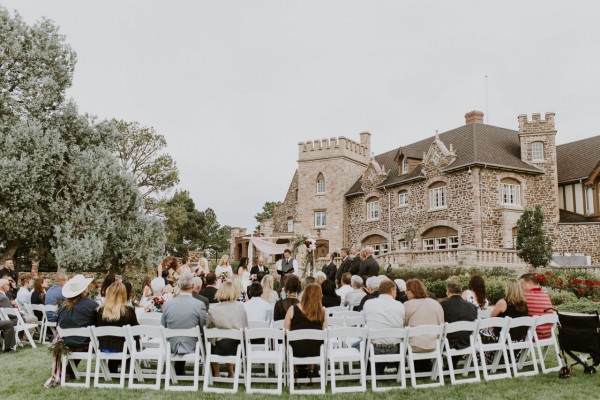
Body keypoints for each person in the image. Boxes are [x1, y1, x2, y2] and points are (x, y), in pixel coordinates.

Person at [162, 273, 208, 376]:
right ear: (192, 286)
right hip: (193, 345)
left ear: (178, 285)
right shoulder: (199, 304)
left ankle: (178, 370)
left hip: (172, 345)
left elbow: (163, 326)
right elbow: (204, 327)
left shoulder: (167, 304)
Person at [57, 274, 98, 378]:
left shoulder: (62, 308)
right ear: (84, 290)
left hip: (67, 345)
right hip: (85, 346)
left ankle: (69, 371)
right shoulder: (92, 305)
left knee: (79, 338)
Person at [284, 283, 327, 377]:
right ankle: (311, 369)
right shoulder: (322, 312)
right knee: (315, 340)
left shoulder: (292, 309)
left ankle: (295, 369)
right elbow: (325, 332)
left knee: (292, 340)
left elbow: (286, 331)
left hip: (296, 350)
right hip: (316, 351)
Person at [95, 281, 139, 373]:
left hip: (103, 346)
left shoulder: (99, 311)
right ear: (124, 294)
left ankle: (113, 369)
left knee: (115, 341)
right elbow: (135, 331)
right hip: (123, 347)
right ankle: (128, 368)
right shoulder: (129, 311)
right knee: (132, 339)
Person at [363, 280, 405, 374]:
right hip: (394, 348)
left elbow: (365, 322)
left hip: (374, 348)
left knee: (359, 343)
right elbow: (402, 323)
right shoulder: (399, 305)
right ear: (392, 290)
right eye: (396, 291)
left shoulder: (368, 303)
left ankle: (370, 371)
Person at [207, 281, 248, 378]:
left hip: (218, 349)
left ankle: (216, 373)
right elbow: (245, 327)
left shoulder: (213, 309)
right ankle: (231, 372)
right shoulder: (240, 307)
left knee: (212, 339)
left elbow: (208, 328)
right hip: (237, 348)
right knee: (232, 338)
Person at [404, 278, 444, 364]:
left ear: (412, 291)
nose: (406, 293)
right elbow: (442, 324)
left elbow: (403, 325)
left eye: (407, 290)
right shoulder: (436, 304)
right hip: (434, 344)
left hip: (414, 346)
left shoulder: (407, 305)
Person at [441, 281, 477, 351]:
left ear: (448, 291)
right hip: (467, 342)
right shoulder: (472, 307)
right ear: (460, 291)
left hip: (448, 343)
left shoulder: (443, 305)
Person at [520, 273, 554, 340]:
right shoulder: (545, 296)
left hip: (532, 335)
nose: (520, 287)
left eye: (522, 284)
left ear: (529, 283)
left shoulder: (525, 297)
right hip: (547, 335)